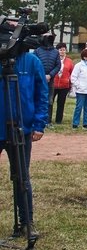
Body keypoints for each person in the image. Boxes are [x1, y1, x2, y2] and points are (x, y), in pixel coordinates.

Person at [0, 44, 48, 239]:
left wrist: (39, 124)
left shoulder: (31, 61)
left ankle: (26, 221)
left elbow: (42, 93)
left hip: (21, 128)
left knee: (21, 177)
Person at [35, 34, 60, 123]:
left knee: (49, 100)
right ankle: (38, 120)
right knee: (38, 98)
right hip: (39, 80)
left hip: (50, 80)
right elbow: (35, 64)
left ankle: (48, 120)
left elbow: (58, 65)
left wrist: (50, 75)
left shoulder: (56, 52)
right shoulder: (37, 51)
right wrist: (42, 75)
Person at [70, 46, 87, 128]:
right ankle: (75, 123)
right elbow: (73, 77)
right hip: (81, 91)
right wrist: (79, 86)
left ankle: (85, 123)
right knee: (79, 107)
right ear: (85, 57)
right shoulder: (78, 66)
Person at [51, 42, 73, 124]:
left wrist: (70, 83)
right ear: (57, 51)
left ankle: (58, 120)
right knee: (50, 102)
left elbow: (71, 73)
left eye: (64, 50)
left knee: (61, 103)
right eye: (60, 50)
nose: (62, 52)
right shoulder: (53, 60)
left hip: (64, 86)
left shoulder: (69, 61)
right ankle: (48, 119)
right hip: (53, 85)